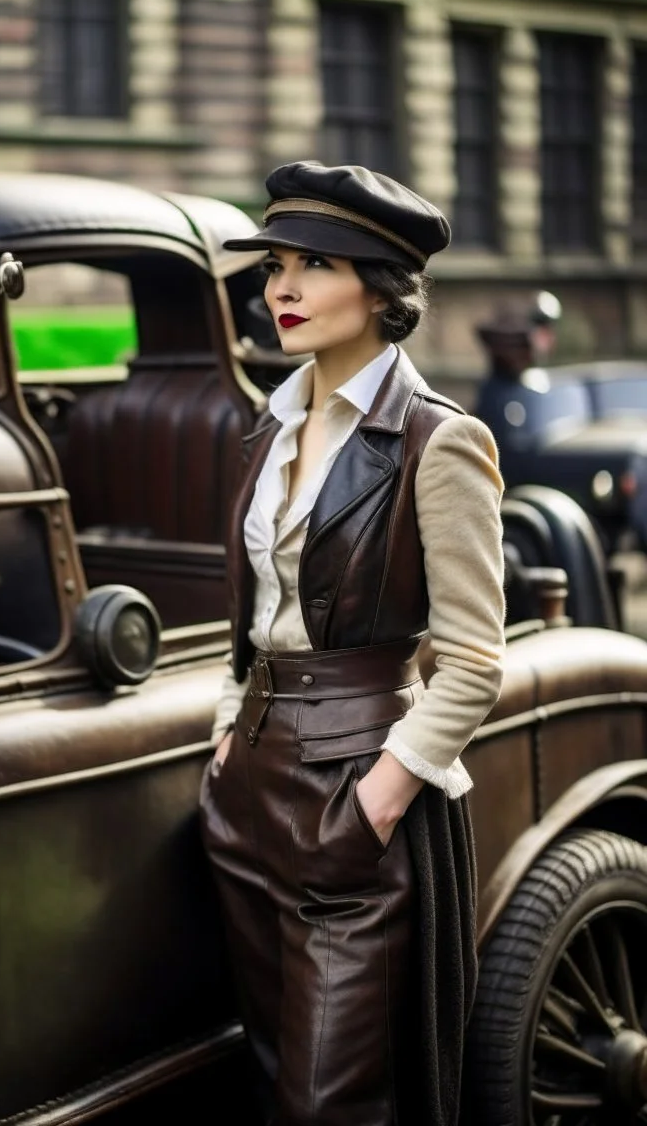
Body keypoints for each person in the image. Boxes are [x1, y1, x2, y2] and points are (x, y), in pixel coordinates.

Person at [198, 161, 506, 1126]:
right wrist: (223, 734)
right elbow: (255, 611)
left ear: (380, 289)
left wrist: (375, 804)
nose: (281, 288)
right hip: (247, 787)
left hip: (354, 789)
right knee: (273, 1065)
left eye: (314, 265)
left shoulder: (436, 441)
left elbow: (474, 663)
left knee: (332, 1100)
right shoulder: (272, 423)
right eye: (275, 264)